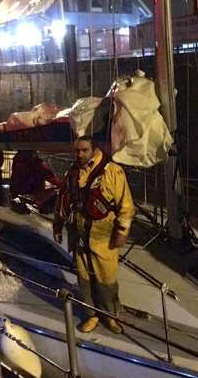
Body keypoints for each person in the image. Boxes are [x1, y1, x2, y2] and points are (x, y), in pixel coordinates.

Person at [53, 136, 134, 334]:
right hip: (79, 231)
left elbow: (126, 205)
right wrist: (58, 225)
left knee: (106, 277)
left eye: (84, 150)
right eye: (77, 151)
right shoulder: (72, 172)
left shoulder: (112, 171)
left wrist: (122, 231)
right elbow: (62, 200)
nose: (80, 154)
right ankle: (92, 315)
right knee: (84, 277)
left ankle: (110, 315)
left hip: (102, 232)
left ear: (94, 150)